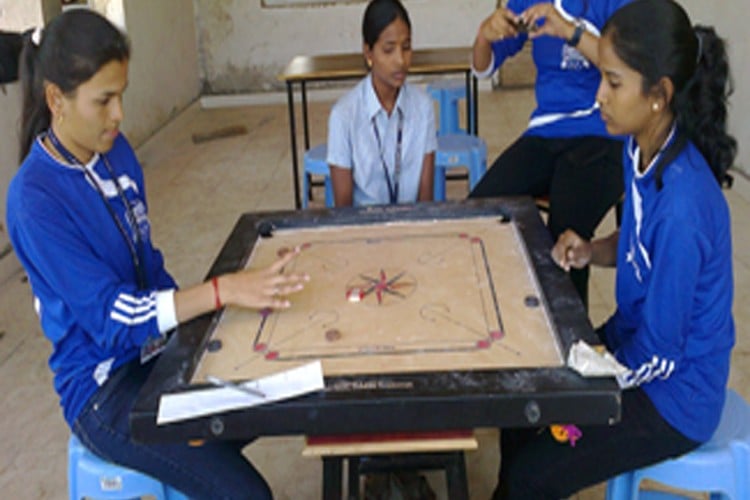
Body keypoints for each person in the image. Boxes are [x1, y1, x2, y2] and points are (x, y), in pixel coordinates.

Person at [7, 9, 308, 499]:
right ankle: (194, 458)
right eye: (104, 100)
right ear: (56, 99)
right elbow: (112, 318)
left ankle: (194, 453)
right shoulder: (34, 199)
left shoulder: (116, 152)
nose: (119, 115)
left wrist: (210, 327)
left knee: (283, 388)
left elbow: (147, 264)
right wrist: (220, 291)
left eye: (121, 95)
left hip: (157, 352)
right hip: (107, 393)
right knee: (247, 495)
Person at [494, 0, 736, 498]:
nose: (600, 96)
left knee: (531, 475)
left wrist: (595, 383)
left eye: (614, 82)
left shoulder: (685, 208)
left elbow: (663, 355)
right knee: (521, 400)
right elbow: (637, 246)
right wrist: (590, 251)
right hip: (635, 347)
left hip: (674, 397)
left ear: (658, 95)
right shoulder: (640, 147)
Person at [468, 0, 630, 308]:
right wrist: (484, 35)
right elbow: (482, 67)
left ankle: (573, 343)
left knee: (566, 238)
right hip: (546, 133)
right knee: (477, 214)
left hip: (605, 133)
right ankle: (508, 319)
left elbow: (627, 69)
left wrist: (569, 31)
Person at [327, 0, 436, 207]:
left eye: (406, 48)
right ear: (369, 53)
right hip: (363, 229)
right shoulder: (344, 115)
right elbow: (344, 209)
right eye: (388, 50)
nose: (401, 60)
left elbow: (425, 202)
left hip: (410, 227)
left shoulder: (423, 107)